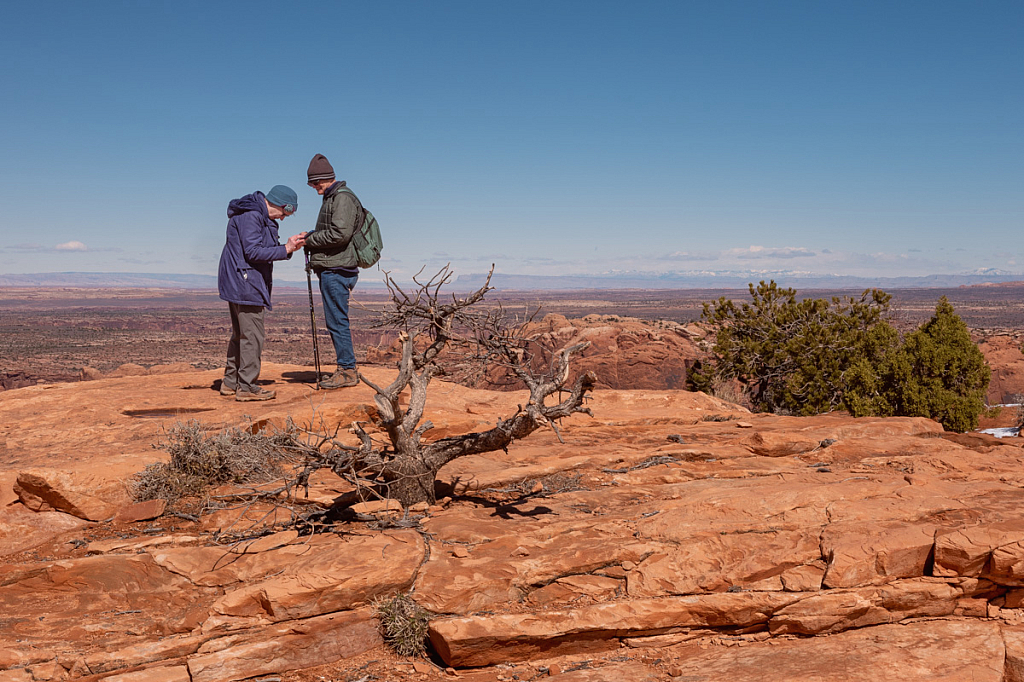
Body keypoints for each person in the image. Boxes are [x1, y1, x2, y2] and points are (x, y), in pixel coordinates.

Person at [217, 185, 306, 401]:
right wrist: (286, 249)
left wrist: (288, 247)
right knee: (252, 337)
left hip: (238, 280)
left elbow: (259, 248)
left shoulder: (255, 215)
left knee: (241, 334)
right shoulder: (252, 216)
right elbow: (253, 251)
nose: (283, 219)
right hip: (246, 283)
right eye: (285, 213)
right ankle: (247, 387)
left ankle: (231, 382)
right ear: (277, 204)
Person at [303, 153, 361, 389]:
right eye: (311, 184)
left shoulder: (342, 199)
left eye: (315, 183)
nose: (314, 188)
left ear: (325, 179)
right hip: (333, 267)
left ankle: (347, 371)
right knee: (335, 320)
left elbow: (340, 234)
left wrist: (310, 240)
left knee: (337, 320)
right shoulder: (332, 198)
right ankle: (345, 368)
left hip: (338, 269)